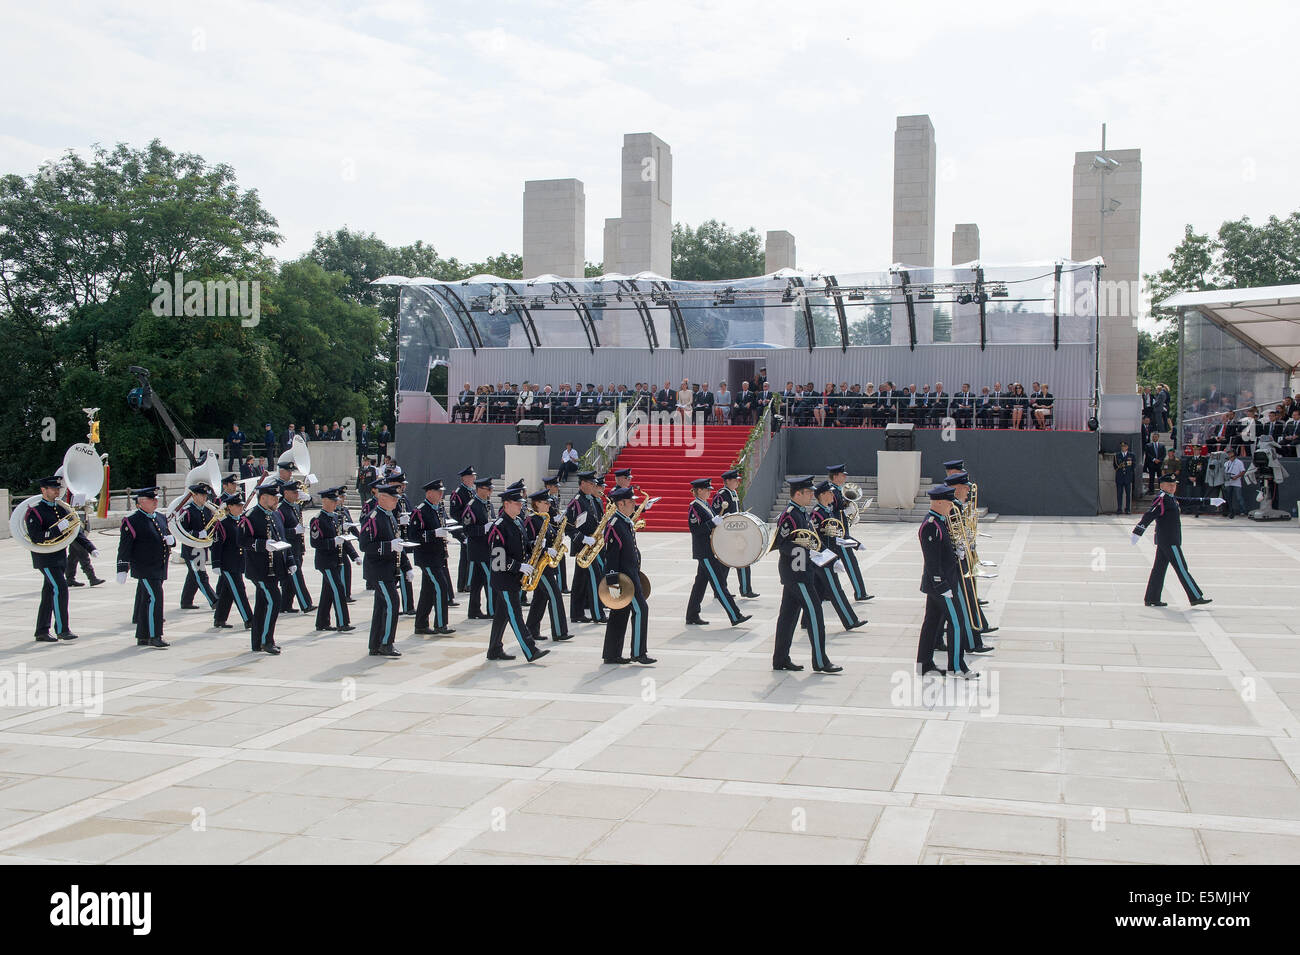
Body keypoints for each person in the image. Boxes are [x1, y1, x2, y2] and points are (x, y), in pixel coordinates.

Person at [770, 476, 841, 673]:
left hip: (801, 573)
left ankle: (780, 659)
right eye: (808, 492)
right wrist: (806, 551)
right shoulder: (790, 515)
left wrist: (830, 559)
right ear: (798, 493)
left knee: (788, 617)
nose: (812, 495)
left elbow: (814, 541)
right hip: (797, 574)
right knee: (815, 614)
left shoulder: (802, 513)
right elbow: (783, 545)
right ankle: (820, 661)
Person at [1132, 474, 1223, 607]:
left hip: (1166, 540)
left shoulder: (1170, 498)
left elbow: (1188, 501)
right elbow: (1150, 514)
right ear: (1162, 486)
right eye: (1170, 485)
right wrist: (1138, 531)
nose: (1173, 487)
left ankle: (1152, 598)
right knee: (1181, 568)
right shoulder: (1162, 499)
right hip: (1169, 540)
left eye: (1174, 485)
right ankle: (1195, 596)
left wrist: (1210, 501)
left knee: (1159, 569)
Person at [916, 485, 977, 679]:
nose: (952, 505)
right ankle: (957, 667)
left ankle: (924, 664)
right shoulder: (931, 525)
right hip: (941, 584)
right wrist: (941, 585)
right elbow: (932, 560)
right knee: (957, 622)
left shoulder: (941, 521)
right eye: (949, 502)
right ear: (939, 501)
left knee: (932, 624)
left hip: (943, 583)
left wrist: (957, 552)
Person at [484, 488, 550, 662]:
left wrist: (534, 544)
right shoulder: (499, 526)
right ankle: (530, 650)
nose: (521, 505)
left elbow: (522, 545)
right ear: (506, 504)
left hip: (514, 578)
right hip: (504, 579)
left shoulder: (518, 521)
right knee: (515, 614)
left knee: (502, 615)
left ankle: (494, 649)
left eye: (521, 502)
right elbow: (498, 559)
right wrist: (518, 566)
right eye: (517, 503)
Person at [685, 478, 750, 627]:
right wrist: (712, 523)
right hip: (705, 552)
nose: (709, 491)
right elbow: (695, 530)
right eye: (707, 489)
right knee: (720, 585)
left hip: (709, 551)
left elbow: (713, 522)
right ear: (699, 490)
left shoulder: (705, 504)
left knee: (700, 585)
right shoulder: (695, 506)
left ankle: (692, 615)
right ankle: (735, 615)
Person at [601, 486, 653, 665]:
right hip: (625, 580)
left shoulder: (624, 521)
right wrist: (613, 583)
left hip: (631, 576)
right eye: (631, 502)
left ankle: (611, 654)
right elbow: (612, 558)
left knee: (619, 614)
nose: (634, 504)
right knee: (641, 610)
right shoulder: (615, 524)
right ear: (620, 504)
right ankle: (639, 652)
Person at [116, 486, 172, 648]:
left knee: (147, 600)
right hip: (144, 567)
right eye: (152, 499)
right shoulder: (132, 521)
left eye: (156, 499)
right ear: (140, 503)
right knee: (155, 598)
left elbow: (165, 535)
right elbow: (124, 547)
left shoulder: (160, 517)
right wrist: (122, 568)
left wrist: (171, 541)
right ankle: (155, 635)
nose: (156, 502)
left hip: (159, 565)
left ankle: (142, 635)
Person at [240, 479, 292, 654]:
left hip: (274, 568)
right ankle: (266, 640)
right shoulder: (250, 516)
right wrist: (262, 545)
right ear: (263, 498)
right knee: (274, 600)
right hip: (259, 569)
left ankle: (257, 641)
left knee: (262, 604)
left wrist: (290, 560)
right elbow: (242, 541)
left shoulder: (275, 514)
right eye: (274, 497)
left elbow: (283, 538)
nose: (277, 501)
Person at [27, 476, 79, 643]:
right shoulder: (35, 511)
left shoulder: (61, 509)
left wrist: (90, 547)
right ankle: (62, 629)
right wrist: (56, 530)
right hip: (45, 558)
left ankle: (41, 631)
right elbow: (36, 537)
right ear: (43, 490)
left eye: (58, 488)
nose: (57, 491)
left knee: (49, 593)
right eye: (53, 489)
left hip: (59, 556)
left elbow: (73, 529)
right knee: (61, 588)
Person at [810, 481, 866, 632]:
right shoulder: (817, 513)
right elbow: (816, 539)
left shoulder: (826, 510)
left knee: (817, 591)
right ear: (822, 495)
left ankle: (805, 620)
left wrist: (852, 543)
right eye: (829, 493)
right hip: (824, 558)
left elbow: (834, 535)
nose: (832, 495)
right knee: (836, 590)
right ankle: (850, 620)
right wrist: (829, 558)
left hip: (829, 555)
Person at [358, 482, 405, 657]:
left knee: (381, 606)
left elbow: (397, 542)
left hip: (388, 569)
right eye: (393, 498)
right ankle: (386, 643)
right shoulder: (373, 518)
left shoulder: (389, 515)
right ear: (382, 498)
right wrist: (388, 546)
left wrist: (405, 566)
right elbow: (365, 546)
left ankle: (375, 644)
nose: (396, 502)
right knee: (393, 603)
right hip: (378, 570)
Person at [524, 489, 570, 643]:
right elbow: (527, 543)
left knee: (540, 598)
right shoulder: (531, 520)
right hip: (539, 566)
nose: (549, 505)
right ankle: (559, 631)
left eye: (549, 502)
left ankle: (531, 629)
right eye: (545, 502)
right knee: (555, 596)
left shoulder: (545, 518)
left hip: (547, 565)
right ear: (537, 504)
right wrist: (544, 549)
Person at [411, 479, 455, 636]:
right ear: (429, 493)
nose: (441, 494)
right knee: (441, 587)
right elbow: (413, 536)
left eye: (442, 492)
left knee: (428, 591)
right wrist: (433, 534)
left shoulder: (438, 509)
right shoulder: (420, 511)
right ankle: (441, 624)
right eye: (438, 492)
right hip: (427, 557)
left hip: (438, 556)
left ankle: (421, 624)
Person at [565, 471, 608, 625]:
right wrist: (583, 538)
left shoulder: (590, 500)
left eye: (594, 484)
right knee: (595, 579)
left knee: (579, 582)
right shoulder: (576, 502)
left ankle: (576, 614)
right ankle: (598, 614)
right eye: (590, 483)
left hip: (591, 545)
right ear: (582, 483)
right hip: (583, 547)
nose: (593, 486)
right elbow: (568, 528)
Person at [311, 486, 354, 632]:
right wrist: (332, 542)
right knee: (338, 589)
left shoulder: (335, 517)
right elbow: (315, 542)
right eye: (333, 501)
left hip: (336, 560)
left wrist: (354, 555)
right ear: (324, 501)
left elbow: (342, 538)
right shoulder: (317, 520)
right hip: (326, 562)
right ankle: (343, 622)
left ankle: (322, 622)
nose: (336, 503)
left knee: (328, 592)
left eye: (336, 500)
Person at [827, 463, 872, 602]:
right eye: (842, 475)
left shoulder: (838, 491)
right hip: (839, 536)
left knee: (829, 566)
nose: (845, 476)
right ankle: (860, 593)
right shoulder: (832, 492)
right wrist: (844, 511)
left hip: (840, 533)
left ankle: (825, 594)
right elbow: (831, 513)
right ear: (835, 476)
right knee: (850, 563)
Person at [711, 468, 758, 598]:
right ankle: (720, 591)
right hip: (726, 534)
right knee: (724, 563)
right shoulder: (721, 494)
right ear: (727, 481)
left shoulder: (733, 492)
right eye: (735, 480)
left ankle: (745, 589)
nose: (738, 482)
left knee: (743, 559)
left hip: (736, 534)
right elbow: (716, 514)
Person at [211, 491, 251, 630]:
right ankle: (249, 619)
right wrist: (215, 563)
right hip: (228, 564)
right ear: (229, 507)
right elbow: (216, 545)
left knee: (228, 592)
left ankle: (219, 618)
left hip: (238, 563)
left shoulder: (240, 521)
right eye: (237, 505)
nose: (240, 508)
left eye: (241, 505)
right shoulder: (223, 524)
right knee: (239, 590)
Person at [178, 482, 219, 611]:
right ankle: (214, 600)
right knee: (201, 576)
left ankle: (186, 601)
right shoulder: (187, 511)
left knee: (193, 575)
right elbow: (182, 531)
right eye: (201, 495)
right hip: (191, 549)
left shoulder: (207, 509)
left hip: (202, 547)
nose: (204, 497)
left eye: (205, 495)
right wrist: (197, 534)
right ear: (194, 496)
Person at [462, 476, 497, 620]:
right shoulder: (472, 506)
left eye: (491, 489)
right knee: (490, 579)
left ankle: (473, 610)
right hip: (479, 549)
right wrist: (483, 529)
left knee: (477, 582)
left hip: (487, 547)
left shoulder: (487, 504)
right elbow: (467, 529)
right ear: (479, 489)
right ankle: (492, 610)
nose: (490, 491)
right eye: (487, 489)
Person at [277, 481, 314, 614]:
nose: (296, 495)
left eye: (297, 492)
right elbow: (279, 532)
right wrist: (293, 531)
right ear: (286, 493)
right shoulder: (281, 509)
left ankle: (285, 605)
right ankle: (306, 603)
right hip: (289, 549)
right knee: (297, 576)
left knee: (289, 580)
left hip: (298, 547)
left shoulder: (295, 506)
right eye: (294, 492)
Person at [450, 465, 476, 592]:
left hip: (470, 529)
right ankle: (464, 584)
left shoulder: (471, 491)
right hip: (463, 529)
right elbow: (454, 513)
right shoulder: (459, 493)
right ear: (464, 478)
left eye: (473, 476)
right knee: (466, 558)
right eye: (471, 476)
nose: (473, 478)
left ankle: (466, 583)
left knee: (468, 557)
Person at [65, 523, 104, 588]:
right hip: (73, 530)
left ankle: (70, 579)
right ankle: (92, 578)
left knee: (73, 556)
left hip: (77, 529)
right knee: (83, 554)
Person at [1222, 447, 1247, 518]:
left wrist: (1236, 476)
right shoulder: (1226, 463)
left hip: (1236, 482)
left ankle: (1243, 511)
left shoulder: (1239, 462)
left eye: (1230, 453)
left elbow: (1243, 471)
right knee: (1228, 498)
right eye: (1228, 453)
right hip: (1228, 481)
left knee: (1239, 497)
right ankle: (1230, 511)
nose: (1229, 454)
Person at [1114, 441, 1136, 514]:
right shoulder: (1117, 455)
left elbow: (1133, 466)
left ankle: (1127, 509)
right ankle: (1119, 508)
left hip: (1127, 477)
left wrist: (1130, 475)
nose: (1123, 448)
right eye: (1122, 447)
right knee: (1119, 494)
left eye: (1124, 446)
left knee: (1128, 494)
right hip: (1119, 477)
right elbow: (1115, 466)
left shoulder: (1131, 455)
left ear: (1127, 447)